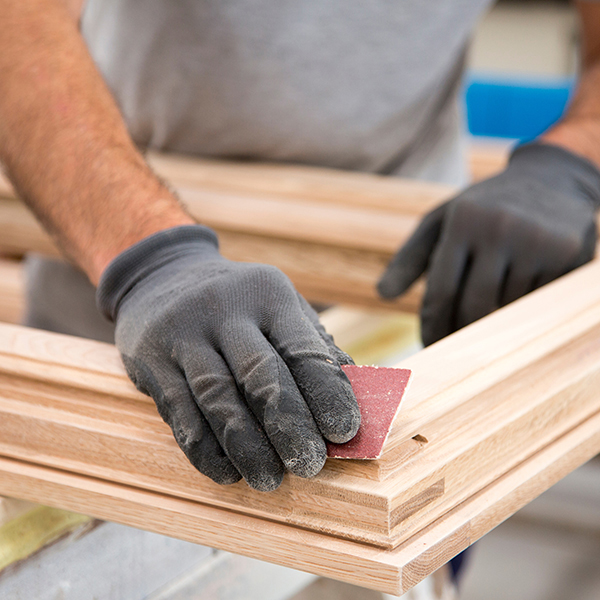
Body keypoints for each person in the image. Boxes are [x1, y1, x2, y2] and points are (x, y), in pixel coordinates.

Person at [2, 0, 600, 496]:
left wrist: (573, 156)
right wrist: (147, 259)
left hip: (402, 308)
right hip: (125, 292)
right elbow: (19, 30)